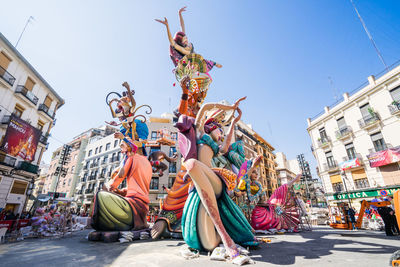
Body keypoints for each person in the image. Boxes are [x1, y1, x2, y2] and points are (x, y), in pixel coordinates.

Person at [155, 7, 222, 70]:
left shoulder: (188, 45)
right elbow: (172, 42)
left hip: (197, 62)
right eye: (184, 40)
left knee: (204, 62)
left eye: (186, 38)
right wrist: (167, 26)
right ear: (181, 42)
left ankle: (212, 64)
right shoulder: (182, 49)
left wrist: (179, 14)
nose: (186, 40)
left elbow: (182, 26)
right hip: (188, 65)